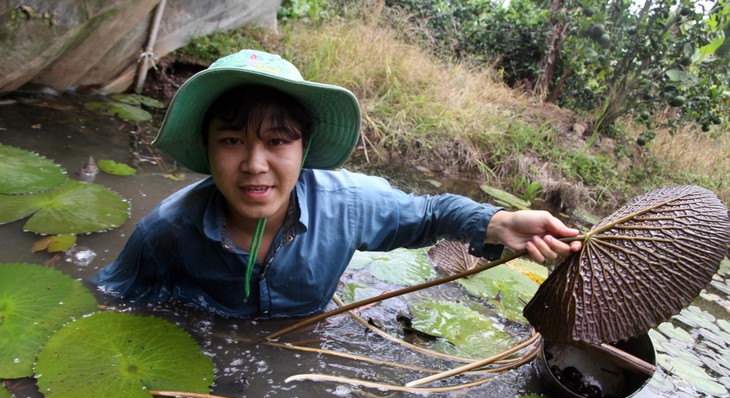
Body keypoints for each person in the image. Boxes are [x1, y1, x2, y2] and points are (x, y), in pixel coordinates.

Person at [92, 49, 581, 319]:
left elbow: (430, 213)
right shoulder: (166, 231)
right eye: (233, 140)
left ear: (304, 148)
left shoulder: (348, 204)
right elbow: (113, 301)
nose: (255, 164)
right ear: (207, 147)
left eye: (278, 141)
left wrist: (502, 221)